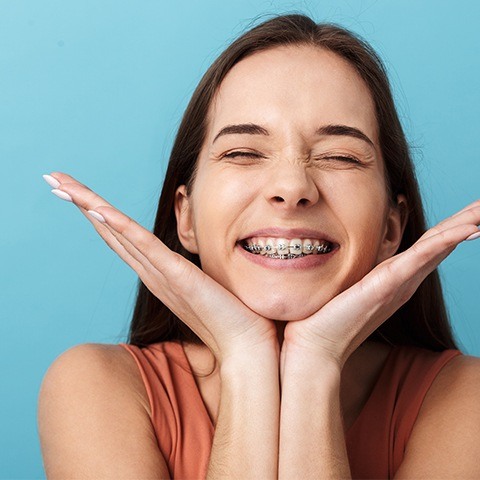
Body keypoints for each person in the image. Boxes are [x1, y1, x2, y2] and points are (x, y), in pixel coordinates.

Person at [38, 13, 480, 479]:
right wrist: (247, 359)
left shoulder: (464, 398)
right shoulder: (94, 387)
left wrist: (314, 365)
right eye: (243, 152)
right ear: (185, 217)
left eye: (339, 156)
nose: (292, 188)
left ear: (393, 228)